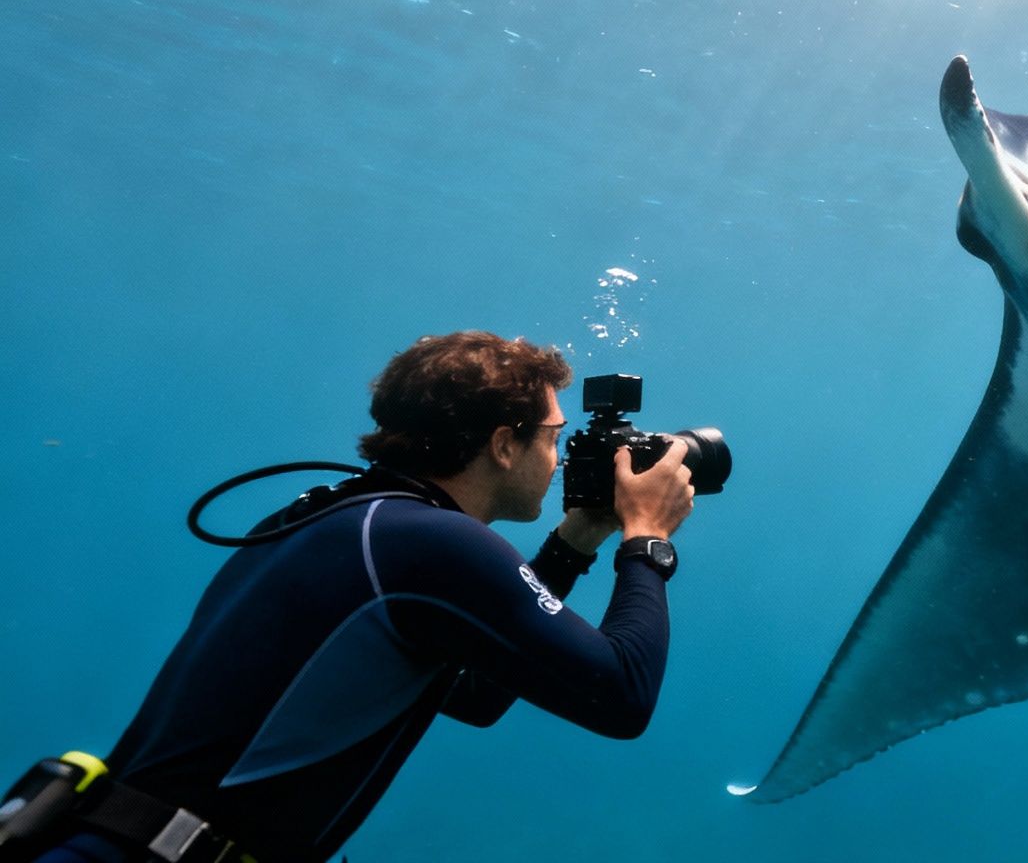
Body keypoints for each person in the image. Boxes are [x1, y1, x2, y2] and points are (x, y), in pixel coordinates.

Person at [26, 332, 696, 863]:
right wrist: (647, 537)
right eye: (553, 438)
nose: (560, 459)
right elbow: (621, 694)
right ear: (501, 445)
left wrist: (575, 539)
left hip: (97, 840)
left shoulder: (333, 516)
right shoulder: (433, 544)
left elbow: (475, 694)